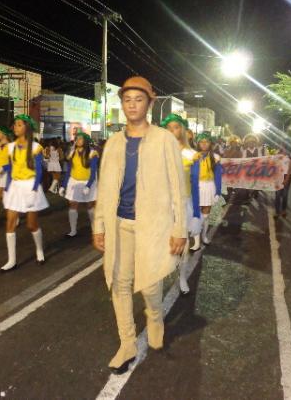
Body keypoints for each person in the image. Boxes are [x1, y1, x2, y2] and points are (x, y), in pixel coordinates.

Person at [93, 77, 187, 374]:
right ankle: (127, 343)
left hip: (153, 225)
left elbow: (178, 188)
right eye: (127, 100)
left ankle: (155, 317)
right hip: (119, 223)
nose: (132, 105)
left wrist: (179, 230)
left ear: (150, 102)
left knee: (149, 283)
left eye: (138, 99)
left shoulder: (164, 139)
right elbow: (104, 187)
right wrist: (99, 225)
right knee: (119, 283)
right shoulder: (114, 142)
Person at [0, 115, 48, 272]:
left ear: (26, 128)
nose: (15, 127)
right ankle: (11, 260)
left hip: (30, 186)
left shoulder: (35, 147)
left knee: (31, 225)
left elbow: (40, 171)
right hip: (15, 187)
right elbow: (7, 167)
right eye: (14, 125)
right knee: (10, 223)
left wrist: (34, 189)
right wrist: (6, 185)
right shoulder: (10, 147)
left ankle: (39, 250)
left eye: (19, 125)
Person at [161, 113, 202, 295]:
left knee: (183, 244)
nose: (172, 131)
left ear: (183, 130)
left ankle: (182, 277)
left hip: (183, 203)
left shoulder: (192, 155)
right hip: (162, 203)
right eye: (169, 129)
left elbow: (195, 186)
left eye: (176, 127)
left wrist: (196, 215)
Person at [59, 132, 99, 237]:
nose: (78, 141)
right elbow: (68, 171)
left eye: (80, 139)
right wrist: (63, 185)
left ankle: (95, 228)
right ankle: (73, 230)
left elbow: (94, 171)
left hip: (88, 181)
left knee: (90, 206)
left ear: (85, 141)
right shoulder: (72, 152)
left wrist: (88, 185)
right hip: (74, 181)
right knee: (72, 205)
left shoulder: (92, 153)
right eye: (76, 139)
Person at [196, 132, 223, 245]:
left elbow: (218, 176)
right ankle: (196, 241)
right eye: (201, 142)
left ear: (210, 144)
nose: (204, 144)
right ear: (198, 143)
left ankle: (204, 236)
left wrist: (218, 192)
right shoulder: (193, 156)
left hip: (209, 186)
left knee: (206, 215)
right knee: (196, 215)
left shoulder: (216, 158)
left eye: (206, 142)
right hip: (196, 187)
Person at [274, 146, 291, 218]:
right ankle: (277, 211)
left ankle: (283, 210)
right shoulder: (277, 154)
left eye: (284, 145)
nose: (282, 147)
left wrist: (287, 179)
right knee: (278, 194)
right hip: (278, 175)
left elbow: (290, 169)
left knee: (285, 194)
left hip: (287, 176)